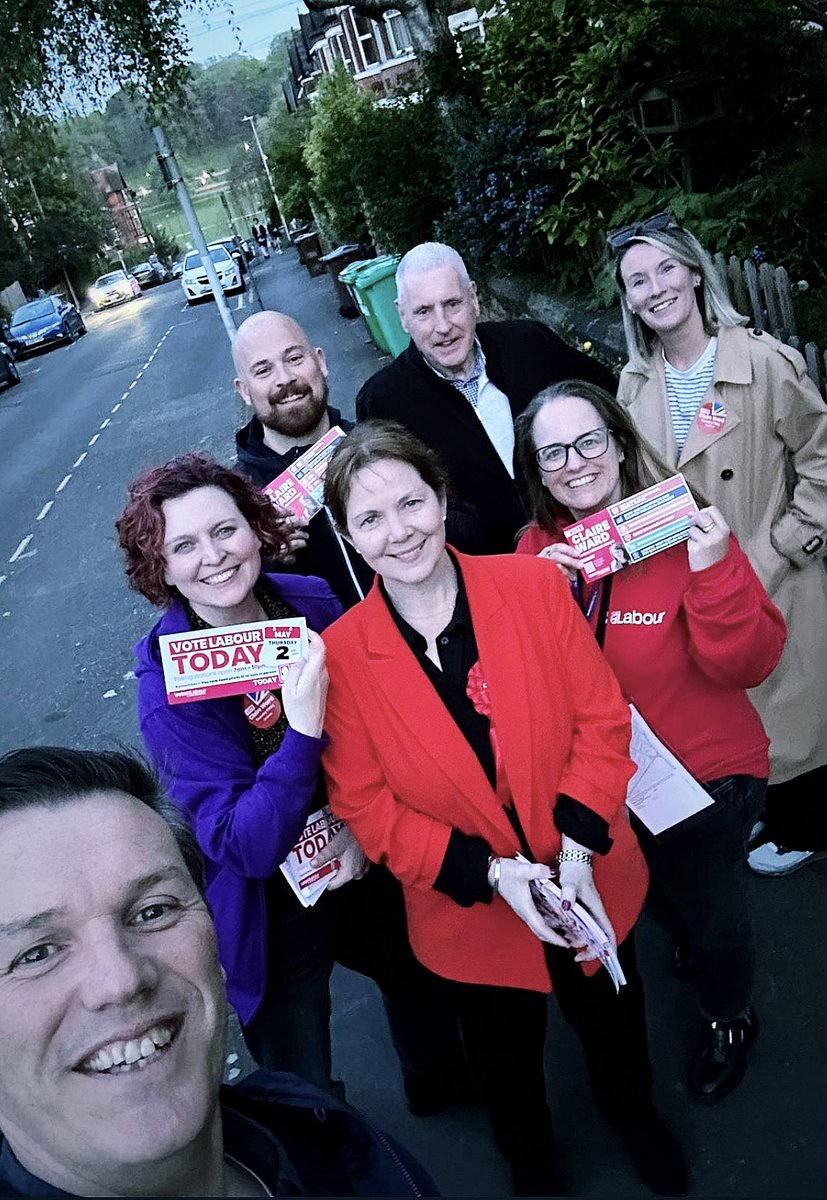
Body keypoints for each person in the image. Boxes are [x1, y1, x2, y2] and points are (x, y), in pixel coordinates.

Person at [320, 420, 688, 1197]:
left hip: (589, 875)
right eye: (370, 519)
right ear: (349, 536)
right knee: (504, 1062)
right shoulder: (343, 657)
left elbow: (600, 718)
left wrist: (578, 852)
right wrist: (492, 875)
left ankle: (634, 1116)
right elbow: (364, 802)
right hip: (472, 912)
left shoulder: (528, 588)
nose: (399, 531)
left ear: (442, 497)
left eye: (411, 503)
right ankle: (531, 1161)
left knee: (615, 1026)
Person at [116, 452, 469, 1114]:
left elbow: (377, 728)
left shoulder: (308, 601)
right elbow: (239, 845)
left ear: (256, 529)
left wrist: (362, 829)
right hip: (270, 903)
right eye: (183, 546)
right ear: (159, 568)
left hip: (359, 853)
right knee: (302, 1076)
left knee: (417, 977)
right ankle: (327, 1161)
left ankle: (439, 1083)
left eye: (225, 530)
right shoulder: (169, 687)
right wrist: (302, 735)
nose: (214, 556)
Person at [0, 745, 437, 1198]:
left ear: (213, 933)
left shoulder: (330, 1132)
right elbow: (242, 839)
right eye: (37, 954)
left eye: (153, 912)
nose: (121, 981)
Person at [514, 379, 786, 1102]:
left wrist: (717, 572)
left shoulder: (686, 528)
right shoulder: (535, 551)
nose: (573, 464)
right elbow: (517, 690)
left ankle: (730, 1015)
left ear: (618, 440)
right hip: (604, 786)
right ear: (535, 471)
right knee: (658, 903)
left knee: (716, 920)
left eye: (587, 441)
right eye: (552, 454)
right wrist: (531, 604)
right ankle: (690, 941)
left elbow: (749, 664)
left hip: (705, 779)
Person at [609, 212, 827, 876]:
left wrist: (784, 542)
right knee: (737, 713)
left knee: (793, 716)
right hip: (693, 586)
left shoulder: (760, 362)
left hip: (771, 571)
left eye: (665, 269)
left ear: (695, 273)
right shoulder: (631, 383)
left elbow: (820, 458)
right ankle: (767, 804)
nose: (654, 290)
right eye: (636, 281)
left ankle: (804, 828)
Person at [355, 241, 617, 555]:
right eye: (423, 311)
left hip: (589, 545)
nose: (443, 326)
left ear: (474, 299)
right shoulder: (383, 402)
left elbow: (612, 402)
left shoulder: (530, 344)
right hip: (487, 575)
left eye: (452, 304)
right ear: (402, 316)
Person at [234, 310, 373, 608]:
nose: (284, 379)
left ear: (321, 361)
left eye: (295, 358)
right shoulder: (237, 501)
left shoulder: (379, 448)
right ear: (244, 391)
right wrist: (267, 559)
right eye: (263, 370)